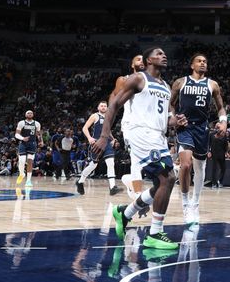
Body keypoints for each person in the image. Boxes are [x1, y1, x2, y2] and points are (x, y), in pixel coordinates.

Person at [92, 47, 181, 250]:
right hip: (139, 132)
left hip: (158, 135)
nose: (163, 55)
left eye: (164, 53)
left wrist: (178, 121)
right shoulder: (138, 79)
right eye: (158, 53)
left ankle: (125, 213)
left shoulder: (166, 86)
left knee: (163, 184)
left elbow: (168, 119)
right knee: (167, 178)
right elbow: (113, 105)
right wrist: (105, 136)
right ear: (148, 59)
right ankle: (155, 234)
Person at [170, 53, 227, 226]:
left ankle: (195, 203)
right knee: (185, 164)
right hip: (185, 127)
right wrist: (173, 118)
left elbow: (221, 108)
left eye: (205, 61)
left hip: (203, 128)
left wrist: (223, 122)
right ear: (192, 65)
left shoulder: (212, 85)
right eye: (199, 61)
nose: (202, 63)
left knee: (200, 167)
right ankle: (186, 204)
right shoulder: (180, 82)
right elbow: (171, 104)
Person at [113, 54, 146, 198]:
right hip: (130, 125)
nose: (142, 61)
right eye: (138, 59)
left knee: (150, 161)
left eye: (144, 59)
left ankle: (129, 179)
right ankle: (138, 195)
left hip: (148, 126)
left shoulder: (152, 82)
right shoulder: (124, 79)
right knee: (136, 158)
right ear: (132, 65)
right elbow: (114, 99)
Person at [76, 101, 121, 195]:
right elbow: (85, 128)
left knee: (111, 163)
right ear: (98, 107)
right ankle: (80, 181)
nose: (104, 107)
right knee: (93, 165)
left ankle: (112, 187)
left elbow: (108, 131)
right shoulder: (95, 116)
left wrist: (113, 139)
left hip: (107, 143)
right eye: (102, 106)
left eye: (105, 106)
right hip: (97, 142)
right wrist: (89, 138)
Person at [15, 110, 43, 187]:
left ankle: (28, 181)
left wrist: (41, 141)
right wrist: (22, 138)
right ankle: (22, 174)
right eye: (28, 113)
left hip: (32, 143)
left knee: (30, 161)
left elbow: (38, 134)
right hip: (23, 143)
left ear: (33, 115)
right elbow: (16, 134)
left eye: (31, 113)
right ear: (25, 115)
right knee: (21, 161)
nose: (30, 114)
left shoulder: (37, 123)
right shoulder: (21, 123)